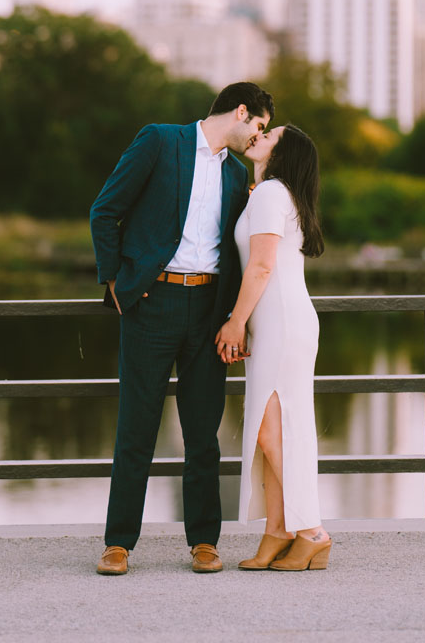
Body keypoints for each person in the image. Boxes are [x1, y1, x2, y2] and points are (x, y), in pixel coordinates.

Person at [90, 81, 275, 575]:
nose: (258, 136)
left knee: (203, 433)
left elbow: (246, 250)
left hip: (210, 312)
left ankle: (204, 542)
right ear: (240, 111)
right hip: (151, 302)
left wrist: (237, 318)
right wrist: (114, 282)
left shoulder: (238, 175)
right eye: (258, 126)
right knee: (137, 427)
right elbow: (105, 210)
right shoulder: (159, 140)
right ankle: (118, 544)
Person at [215, 123, 331, 571]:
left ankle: (313, 532)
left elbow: (262, 267)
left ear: (283, 153)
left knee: (271, 433)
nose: (258, 135)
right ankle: (278, 533)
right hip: (282, 322)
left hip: (279, 323)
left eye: (270, 135)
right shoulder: (273, 193)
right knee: (278, 434)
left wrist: (235, 322)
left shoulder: (269, 195)